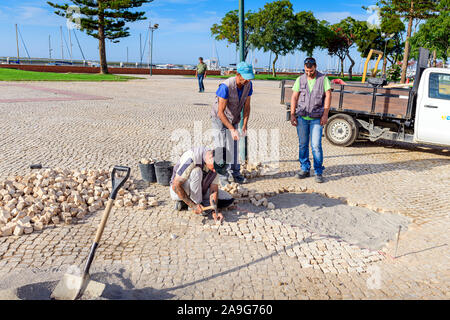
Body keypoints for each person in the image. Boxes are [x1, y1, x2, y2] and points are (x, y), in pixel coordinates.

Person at [211, 62, 254, 186]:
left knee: (234, 146)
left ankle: (236, 173)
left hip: (234, 117)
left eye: (249, 77)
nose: (247, 80)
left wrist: (244, 124)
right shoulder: (225, 86)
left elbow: (247, 107)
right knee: (222, 147)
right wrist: (231, 129)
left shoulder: (249, 85)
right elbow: (220, 112)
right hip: (219, 118)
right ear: (238, 74)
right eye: (245, 77)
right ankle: (223, 177)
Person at [290, 57, 332, 183]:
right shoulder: (300, 79)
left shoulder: (323, 79)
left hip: (316, 118)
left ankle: (318, 171)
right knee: (303, 145)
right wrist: (292, 114)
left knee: (316, 145)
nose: (309, 73)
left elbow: (328, 96)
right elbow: (294, 97)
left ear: (315, 67)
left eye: (311, 71)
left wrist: (325, 114)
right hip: (302, 117)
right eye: (306, 71)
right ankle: (305, 168)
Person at [170, 146, 234, 223]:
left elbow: (213, 189)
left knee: (227, 199)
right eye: (215, 168)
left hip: (200, 189)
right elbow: (175, 185)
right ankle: (194, 204)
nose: (214, 171)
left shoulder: (216, 165)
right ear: (211, 157)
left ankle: (186, 203)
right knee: (197, 172)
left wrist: (215, 211)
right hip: (180, 189)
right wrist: (193, 206)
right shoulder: (192, 157)